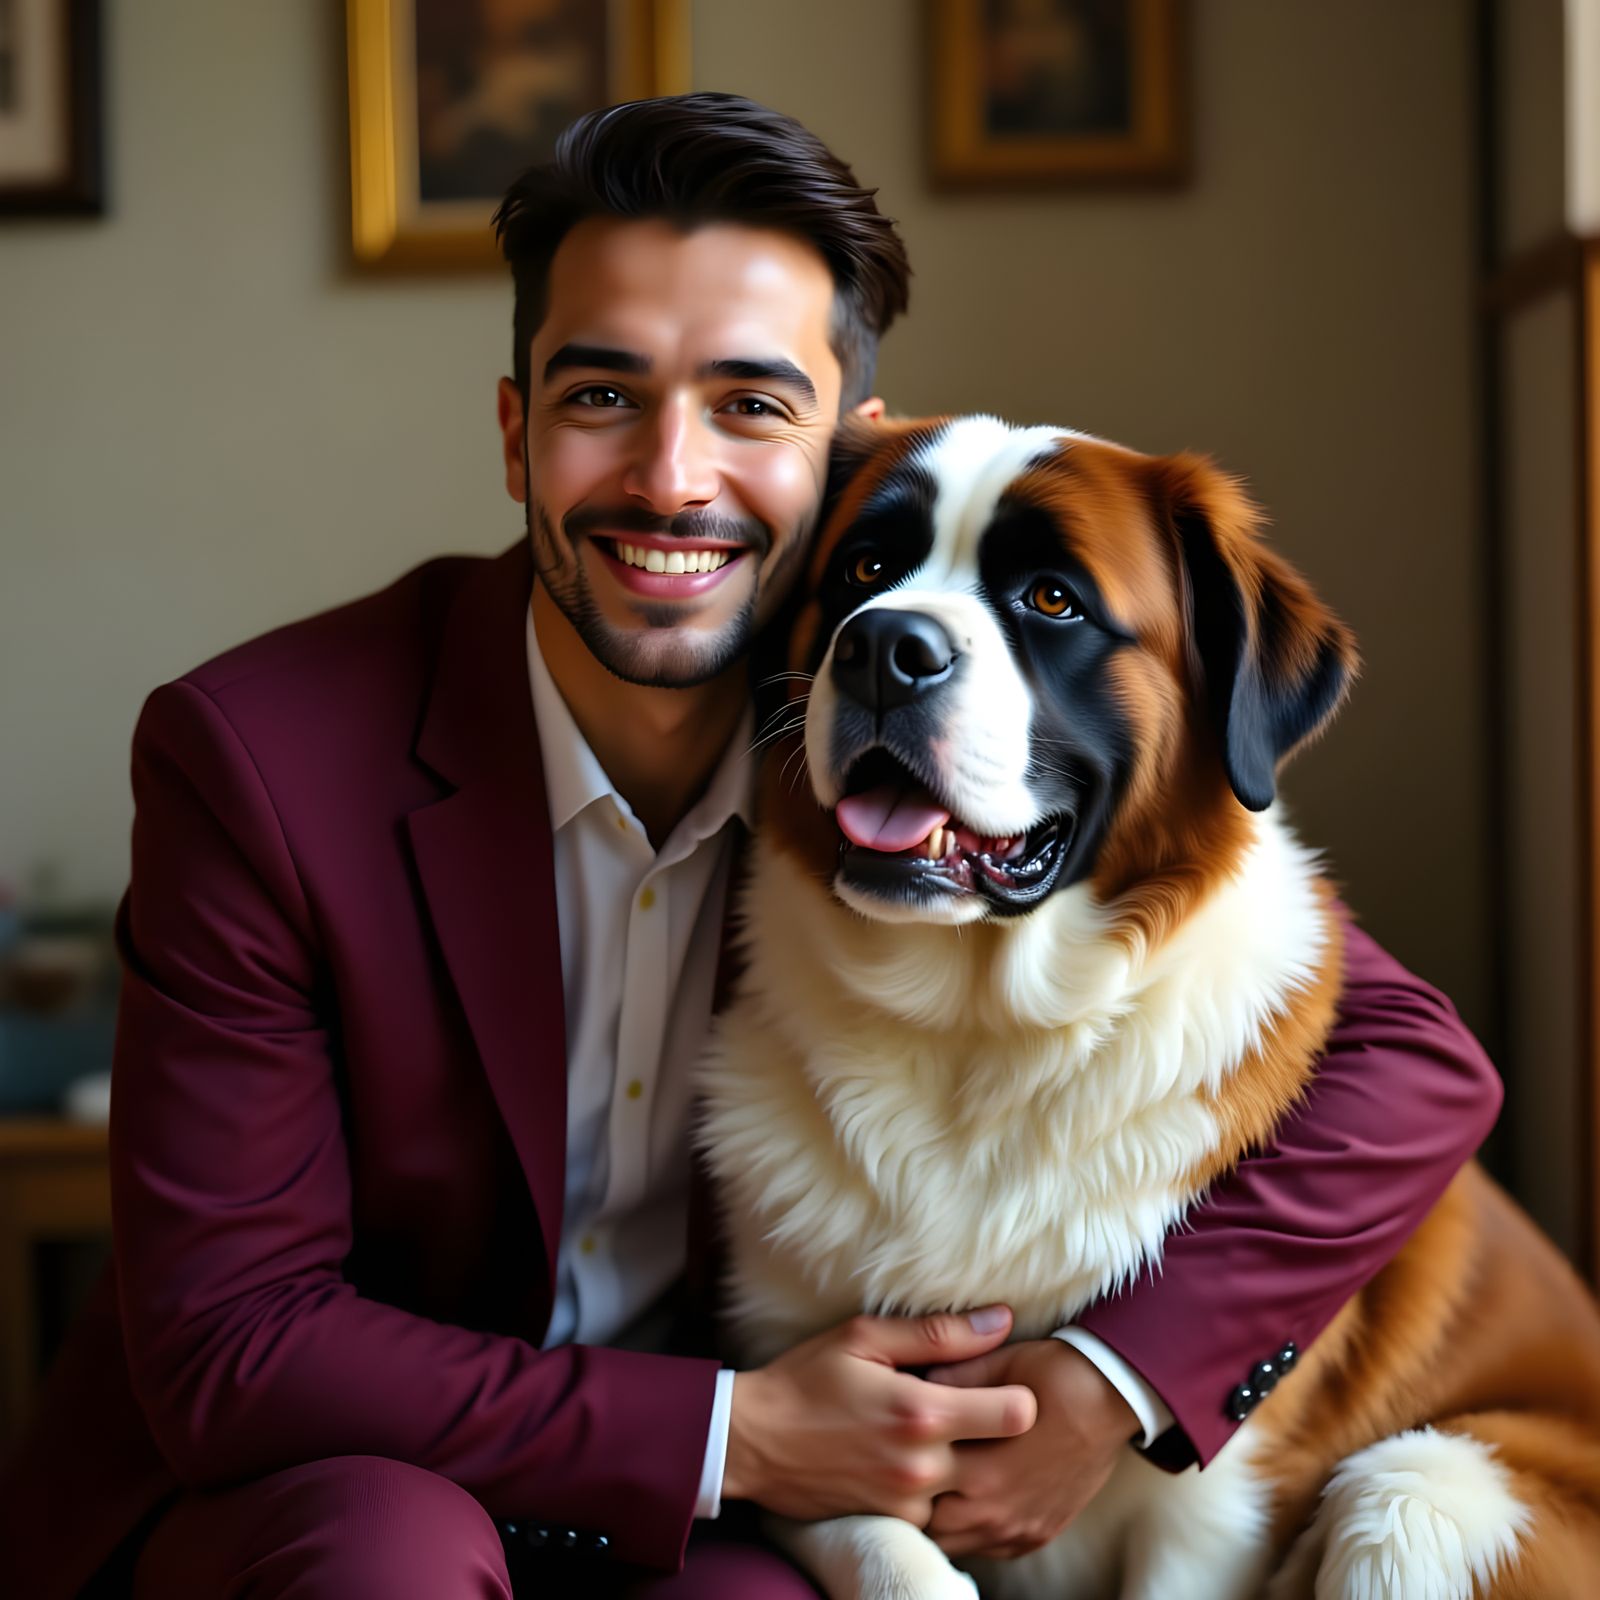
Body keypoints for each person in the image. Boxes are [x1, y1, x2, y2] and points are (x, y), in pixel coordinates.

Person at [0, 94, 1500, 1600]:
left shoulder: (883, 743)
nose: (670, 478)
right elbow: (234, 1344)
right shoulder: (258, 762)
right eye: (600, 397)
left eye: (749, 406)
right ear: (516, 431)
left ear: (849, 451)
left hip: (721, 1520)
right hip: (353, 1478)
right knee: (384, 1556)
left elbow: (1410, 1059)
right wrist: (742, 1433)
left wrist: (1111, 1380)